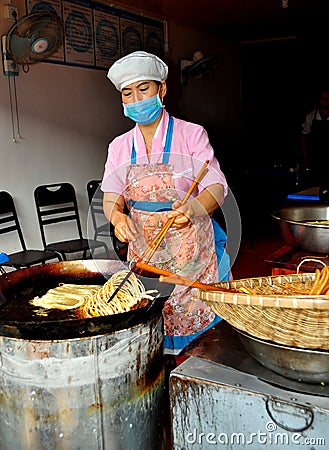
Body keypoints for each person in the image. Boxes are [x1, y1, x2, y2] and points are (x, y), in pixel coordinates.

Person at [101, 50, 230, 355]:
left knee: (199, 340)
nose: (136, 99)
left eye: (143, 89)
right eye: (127, 93)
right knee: (152, 324)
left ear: (162, 89)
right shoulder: (119, 147)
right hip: (145, 248)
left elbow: (216, 186)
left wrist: (195, 208)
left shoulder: (191, 134)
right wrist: (118, 218)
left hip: (191, 247)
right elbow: (110, 197)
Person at [301, 87, 329, 187]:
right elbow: (304, 138)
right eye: (323, 99)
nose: (326, 102)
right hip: (316, 161)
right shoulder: (311, 116)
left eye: (328, 99)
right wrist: (306, 159)